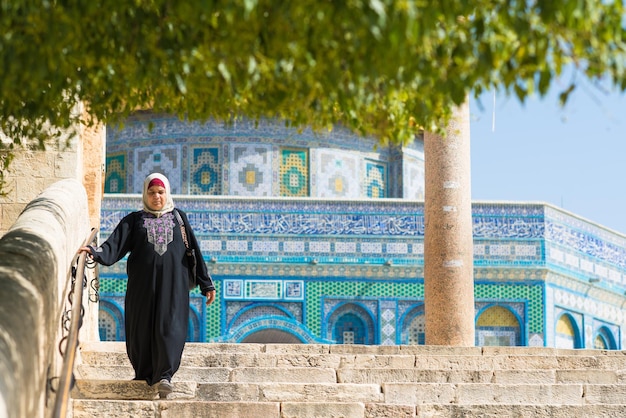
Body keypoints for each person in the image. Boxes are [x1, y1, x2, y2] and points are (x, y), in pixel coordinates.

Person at [79, 172, 216, 399]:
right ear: (145, 194)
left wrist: (206, 283)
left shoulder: (179, 219)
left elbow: (194, 251)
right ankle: (143, 374)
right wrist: (95, 252)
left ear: (167, 193)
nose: (156, 197)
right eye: (151, 193)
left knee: (169, 326)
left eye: (161, 192)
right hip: (142, 287)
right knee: (140, 328)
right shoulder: (134, 221)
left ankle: (165, 375)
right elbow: (114, 245)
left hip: (173, 286)